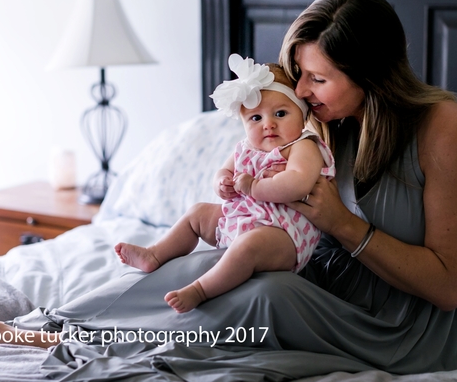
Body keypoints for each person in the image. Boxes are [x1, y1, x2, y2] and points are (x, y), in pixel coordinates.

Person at [0, 0, 457, 375]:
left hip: (408, 324)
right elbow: (257, 156)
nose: (305, 94)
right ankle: (55, 327)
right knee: (198, 264)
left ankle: (89, 347)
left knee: (263, 294)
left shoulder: (448, 131)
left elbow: (449, 287)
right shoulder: (324, 119)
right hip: (330, 279)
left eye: (318, 78)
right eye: (301, 76)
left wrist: (341, 225)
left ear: (372, 73)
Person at [115, 54, 335, 313]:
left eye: (280, 113)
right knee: (198, 213)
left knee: (248, 246)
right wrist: (222, 183)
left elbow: (298, 182)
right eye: (256, 118)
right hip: (242, 220)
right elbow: (224, 170)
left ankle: (201, 289)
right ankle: (155, 254)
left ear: (303, 114)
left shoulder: (302, 146)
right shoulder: (246, 147)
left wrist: (254, 188)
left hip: (284, 236)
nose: (269, 125)